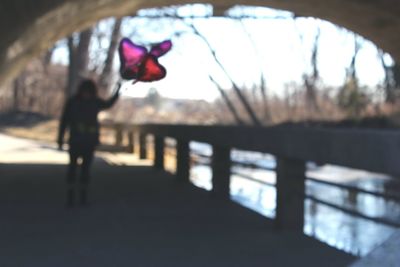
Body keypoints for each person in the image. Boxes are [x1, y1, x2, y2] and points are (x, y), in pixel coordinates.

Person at [57, 79, 121, 207]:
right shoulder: (75, 102)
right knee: (73, 168)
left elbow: (108, 104)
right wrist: (60, 138)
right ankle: (71, 196)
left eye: (88, 92)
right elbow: (64, 121)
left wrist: (117, 91)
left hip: (88, 142)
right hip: (76, 141)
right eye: (85, 92)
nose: (86, 94)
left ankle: (82, 197)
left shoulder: (89, 102)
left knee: (85, 169)